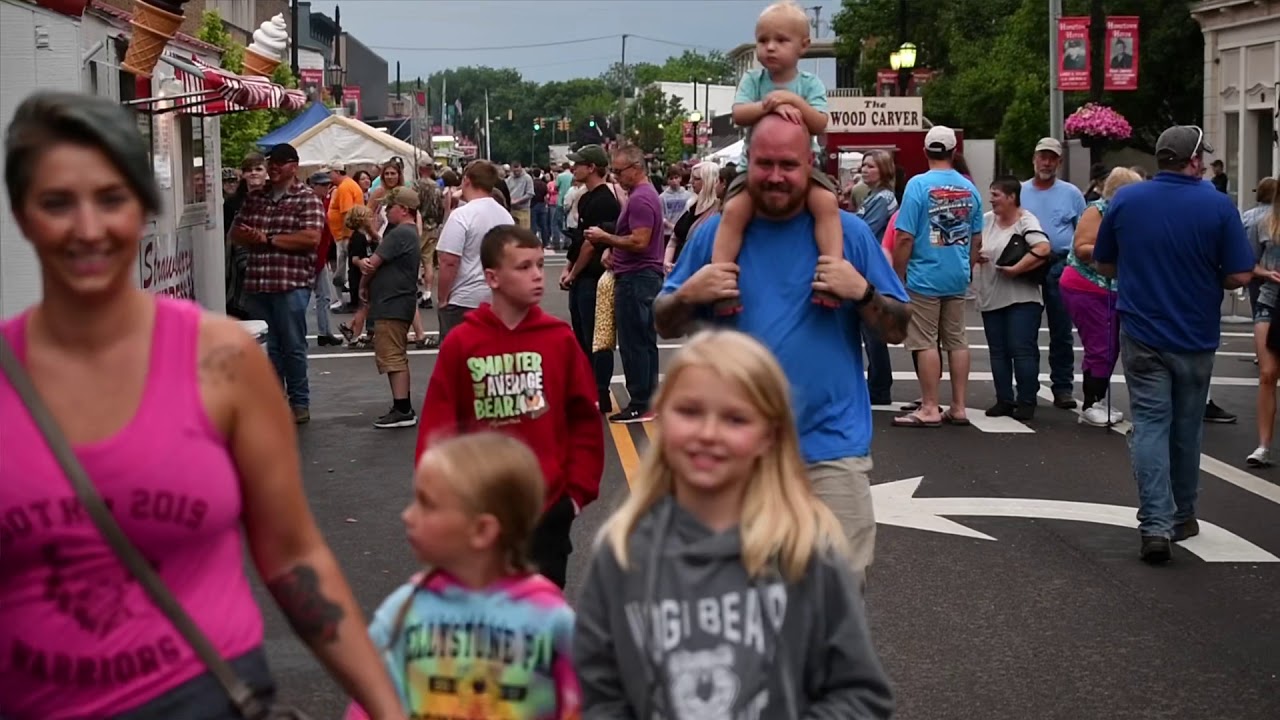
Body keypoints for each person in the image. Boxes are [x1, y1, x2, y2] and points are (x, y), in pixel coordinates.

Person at [0, 91, 406, 720]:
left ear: (141, 208)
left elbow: (293, 553)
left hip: (205, 696)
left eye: (111, 198)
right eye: (57, 202)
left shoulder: (219, 360)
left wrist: (385, 704)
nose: (87, 227)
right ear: (23, 217)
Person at [572, 330, 896, 719]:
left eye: (735, 418)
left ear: (769, 436)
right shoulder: (624, 551)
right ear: (662, 415)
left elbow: (861, 694)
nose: (708, 434)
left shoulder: (804, 550)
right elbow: (596, 691)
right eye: (689, 411)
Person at [656, 113, 910, 577]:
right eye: (765, 163)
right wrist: (692, 294)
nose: (776, 176)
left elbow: (897, 329)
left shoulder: (849, 236)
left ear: (809, 164)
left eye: (788, 165)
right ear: (748, 163)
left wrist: (863, 293)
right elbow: (664, 322)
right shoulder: (715, 236)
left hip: (829, 455)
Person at [1093, 125, 1255, 564]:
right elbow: (1240, 274)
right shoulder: (1218, 205)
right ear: (1195, 160)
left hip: (1143, 330)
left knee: (1148, 425)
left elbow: (1104, 262)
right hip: (1196, 334)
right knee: (1186, 427)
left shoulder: (1126, 199)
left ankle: (1155, 525)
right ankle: (1183, 514)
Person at [417, 225, 604, 588]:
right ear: (492, 277)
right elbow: (438, 432)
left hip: (546, 512)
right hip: (479, 515)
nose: (537, 275)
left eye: (538, 265)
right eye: (523, 267)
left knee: (540, 627)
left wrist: (574, 497)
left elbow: (584, 420)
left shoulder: (559, 339)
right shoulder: (463, 343)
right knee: (487, 628)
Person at [344, 433, 580, 720]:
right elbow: (367, 702)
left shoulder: (550, 620)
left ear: (482, 531)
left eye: (426, 504)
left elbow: (580, 705)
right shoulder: (404, 613)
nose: (407, 515)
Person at [713, 0, 841, 316]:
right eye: (762, 40)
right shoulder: (753, 82)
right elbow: (739, 114)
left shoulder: (809, 84)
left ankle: (831, 274)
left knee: (826, 202)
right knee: (734, 210)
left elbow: (821, 122)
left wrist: (792, 100)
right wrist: (770, 106)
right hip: (751, 170)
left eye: (780, 40)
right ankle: (721, 282)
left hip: (801, 170)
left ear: (803, 46)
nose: (770, 48)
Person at [892, 126, 982, 428]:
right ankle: (958, 406)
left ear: (925, 150)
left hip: (924, 274)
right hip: (957, 273)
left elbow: (904, 236)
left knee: (925, 340)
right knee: (957, 340)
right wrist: (967, 268)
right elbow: (976, 238)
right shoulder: (970, 189)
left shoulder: (918, 185)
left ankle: (929, 406)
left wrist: (897, 274)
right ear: (954, 151)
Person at [230, 142, 324, 424]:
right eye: (272, 161)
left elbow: (311, 238)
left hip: (291, 283)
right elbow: (236, 233)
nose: (273, 167)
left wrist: (268, 239)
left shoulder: (307, 199)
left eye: (280, 162)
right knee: (268, 348)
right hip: (259, 282)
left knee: (292, 344)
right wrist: (254, 238)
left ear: (293, 166)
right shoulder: (256, 198)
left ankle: (299, 402)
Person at [584, 144, 665, 424]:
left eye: (619, 171)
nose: (616, 176)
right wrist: (614, 249)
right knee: (643, 341)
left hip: (637, 277)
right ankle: (647, 399)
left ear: (636, 168)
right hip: (639, 275)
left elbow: (639, 241)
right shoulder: (643, 195)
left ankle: (641, 402)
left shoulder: (641, 198)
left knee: (634, 343)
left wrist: (606, 238)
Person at [1061, 167, 1143, 427]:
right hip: (1088, 285)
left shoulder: (1129, 212)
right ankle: (1091, 402)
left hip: (1112, 287)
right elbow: (1082, 247)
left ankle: (1097, 399)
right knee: (1101, 345)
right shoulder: (1097, 210)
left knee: (1111, 346)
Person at [976, 177, 1052, 419]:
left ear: (1012, 197)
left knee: (1021, 349)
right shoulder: (986, 221)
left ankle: (1027, 400)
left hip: (1022, 297)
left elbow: (1043, 248)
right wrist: (975, 257)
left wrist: (1017, 268)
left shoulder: (1026, 220)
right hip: (990, 294)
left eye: (996, 194)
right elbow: (972, 247)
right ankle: (1004, 399)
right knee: (998, 351)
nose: (991, 199)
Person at [1020, 137, 1086, 410]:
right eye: (1042, 157)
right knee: (1026, 330)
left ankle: (1062, 387)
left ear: (1059, 162)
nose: (1046, 162)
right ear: (1034, 159)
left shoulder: (1071, 193)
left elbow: (1083, 229)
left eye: (1052, 158)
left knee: (1061, 330)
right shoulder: (1020, 191)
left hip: (1060, 264)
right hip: (1028, 264)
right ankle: (1027, 387)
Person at [559, 144, 620, 413]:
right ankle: (588, 387)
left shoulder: (604, 200)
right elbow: (579, 239)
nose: (574, 168)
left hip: (595, 275)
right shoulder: (585, 198)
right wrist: (568, 266)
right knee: (582, 334)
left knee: (598, 336)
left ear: (592, 167)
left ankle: (600, 391)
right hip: (582, 274)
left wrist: (573, 272)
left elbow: (591, 244)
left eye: (578, 164)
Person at [358, 187, 422, 429]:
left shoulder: (400, 234)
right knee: (395, 353)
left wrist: (362, 285)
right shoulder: (409, 232)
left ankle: (402, 407)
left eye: (390, 207)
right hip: (397, 299)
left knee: (392, 355)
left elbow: (372, 264)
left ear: (403, 209)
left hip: (392, 301)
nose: (386, 211)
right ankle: (401, 406)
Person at [436, 160, 513, 342]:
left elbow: (449, 260)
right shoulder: (505, 216)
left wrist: (442, 298)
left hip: (464, 299)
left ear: (466, 180)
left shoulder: (462, 215)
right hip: (496, 297)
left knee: (458, 360)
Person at [856, 150, 899, 406]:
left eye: (870, 166)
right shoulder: (874, 197)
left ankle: (880, 387)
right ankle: (877, 384)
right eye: (863, 165)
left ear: (883, 170)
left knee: (873, 333)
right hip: (870, 271)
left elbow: (865, 233)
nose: (864, 169)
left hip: (874, 273)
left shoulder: (883, 199)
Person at [1247, 188, 1280, 466]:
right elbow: (1248, 262)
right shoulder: (1264, 222)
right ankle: (1263, 446)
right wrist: (1266, 272)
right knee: (1268, 373)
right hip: (1270, 300)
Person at [664, 161, 720, 272]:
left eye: (696, 178)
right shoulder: (691, 204)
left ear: (708, 180)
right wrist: (667, 261)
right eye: (691, 178)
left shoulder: (717, 210)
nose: (691, 181)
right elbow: (675, 237)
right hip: (677, 269)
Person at [307, 171, 342, 346]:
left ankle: (324, 332)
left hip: (318, 257)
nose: (326, 188)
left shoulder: (319, 203)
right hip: (313, 257)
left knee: (322, 296)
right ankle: (323, 332)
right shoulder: (312, 204)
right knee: (318, 296)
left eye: (327, 185)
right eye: (322, 185)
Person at [507, 161, 534, 229]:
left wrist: (517, 201)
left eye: (518, 170)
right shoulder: (509, 179)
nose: (516, 172)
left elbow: (530, 193)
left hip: (523, 210)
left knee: (524, 233)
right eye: (514, 170)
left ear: (521, 168)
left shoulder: (527, 178)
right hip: (511, 210)